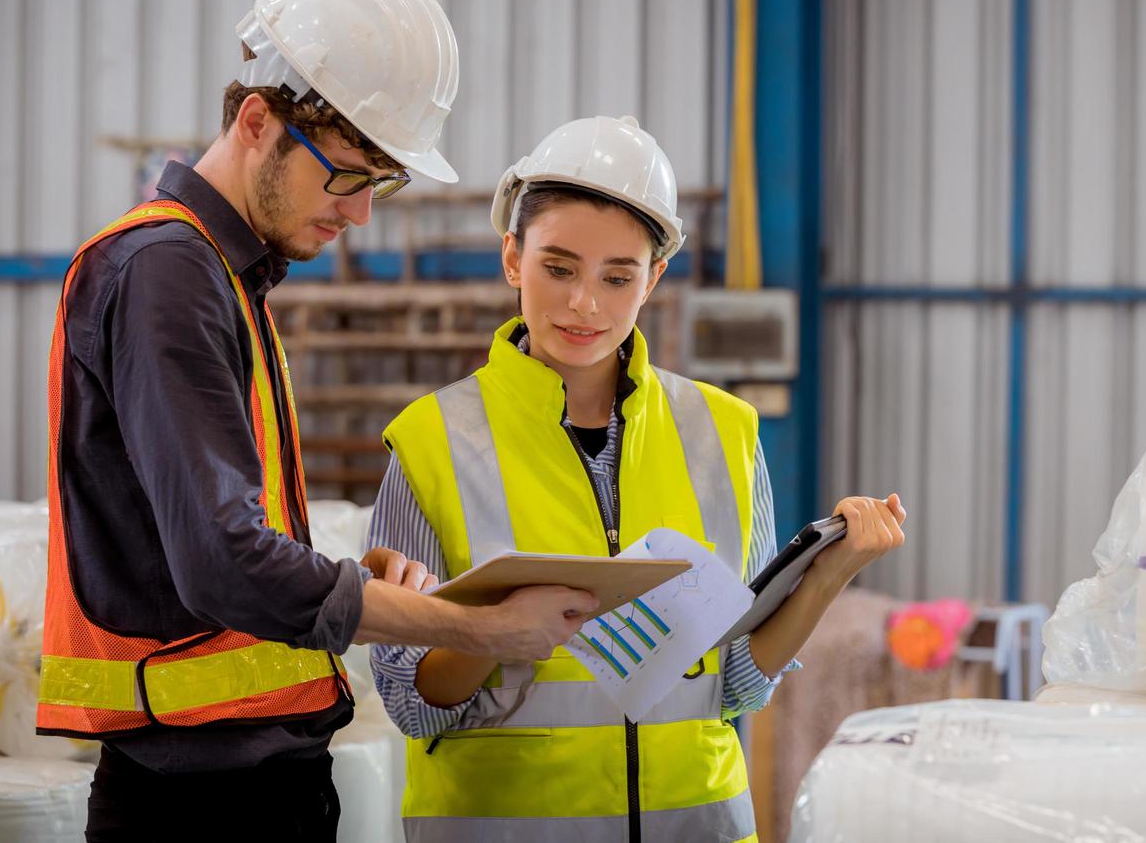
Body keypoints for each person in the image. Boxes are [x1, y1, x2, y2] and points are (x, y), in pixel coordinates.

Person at [36, 0, 597, 843]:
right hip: (201, 802)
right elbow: (223, 564)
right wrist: (477, 627)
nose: (364, 213)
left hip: (228, 783)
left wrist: (349, 581)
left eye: (384, 182)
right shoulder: (168, 274)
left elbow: (212, 549)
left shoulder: (222, 277)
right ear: (258, 121)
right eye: (349, 176)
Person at [369, 114, 909, 842]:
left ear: (653, 278)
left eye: (617, 277)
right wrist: (497, 631)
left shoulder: (723, 432)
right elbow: (411, 701)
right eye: (557, 268)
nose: (584, 304)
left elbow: (736, 681)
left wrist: (834, 569)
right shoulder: (431, 442)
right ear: (511, 257)